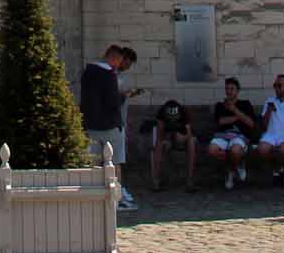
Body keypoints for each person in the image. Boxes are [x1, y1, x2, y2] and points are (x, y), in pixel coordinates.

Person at [79, 42, 141, 212]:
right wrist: (125, 96)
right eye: (119, 61)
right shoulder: (109, 74)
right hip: (110, 126)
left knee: (93, 163)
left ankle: (94, 198)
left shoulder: (87, 72)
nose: (118, 65)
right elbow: (112, 102)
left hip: (91, 125)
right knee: (115, 163)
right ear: (114, 58)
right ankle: (116, 199)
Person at [208, 77, 259, 189]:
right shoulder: (220, 106)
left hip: (240, 136)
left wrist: (234, 110)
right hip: (223, 135)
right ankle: (237, 164)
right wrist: (239, 117)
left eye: (232, 88)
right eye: (227, 89)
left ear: (237, 90)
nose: (229, 91)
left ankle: (231, 171)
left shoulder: (245, 104)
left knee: (235, 151)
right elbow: (221, 121)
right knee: (211, 150)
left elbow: (251, 124)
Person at [150, 97, 196, 191]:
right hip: (167, 138)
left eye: (175, 117)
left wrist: (183, 138)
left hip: (182, 138)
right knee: (159, 145)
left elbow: (189, 133)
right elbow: (159, 134)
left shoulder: (184, 112)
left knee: (191, 142)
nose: (173, 120)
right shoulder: (162, 113)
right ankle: (156, 181)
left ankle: (189, 180)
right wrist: (165, 140)